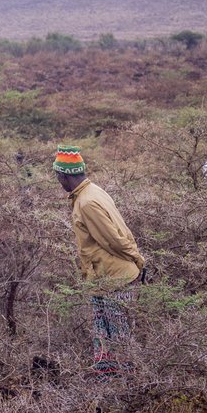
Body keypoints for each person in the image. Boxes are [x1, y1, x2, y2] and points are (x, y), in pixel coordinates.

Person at [53, 146, 145, 374]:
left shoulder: (87, 202)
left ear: (64, 176)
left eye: (57, 176)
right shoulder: (93, 191)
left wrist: (138, 260)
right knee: (105, 335)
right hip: (103, 277)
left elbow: (113, 239)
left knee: (119, 337)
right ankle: (108, 381)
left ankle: (128, 386)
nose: (58, 181)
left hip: (115, 277)